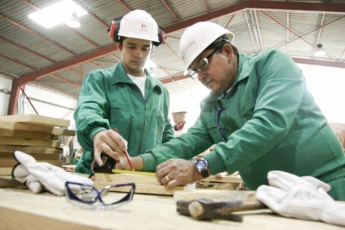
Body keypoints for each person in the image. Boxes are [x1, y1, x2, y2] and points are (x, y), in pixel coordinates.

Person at [115, 21, 345, 201]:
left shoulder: (271, 65)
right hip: (273, 196)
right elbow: (185, 144)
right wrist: (136, 162)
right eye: (195, 71)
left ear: (226, 51)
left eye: (203, 64)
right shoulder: (211, 105)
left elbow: (269, 124)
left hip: (326, 187)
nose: (201, 75)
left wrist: (198, 168)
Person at [74, 9, 174, 174]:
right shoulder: (99, 80)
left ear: (152, 50)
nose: (139, 54)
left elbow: (167, 133)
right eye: (132, 46)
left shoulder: (160, 91)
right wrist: (97, 131)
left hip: (144, 178)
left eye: (145, 48)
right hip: (99, 176)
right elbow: (88, 109)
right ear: (119, 45)